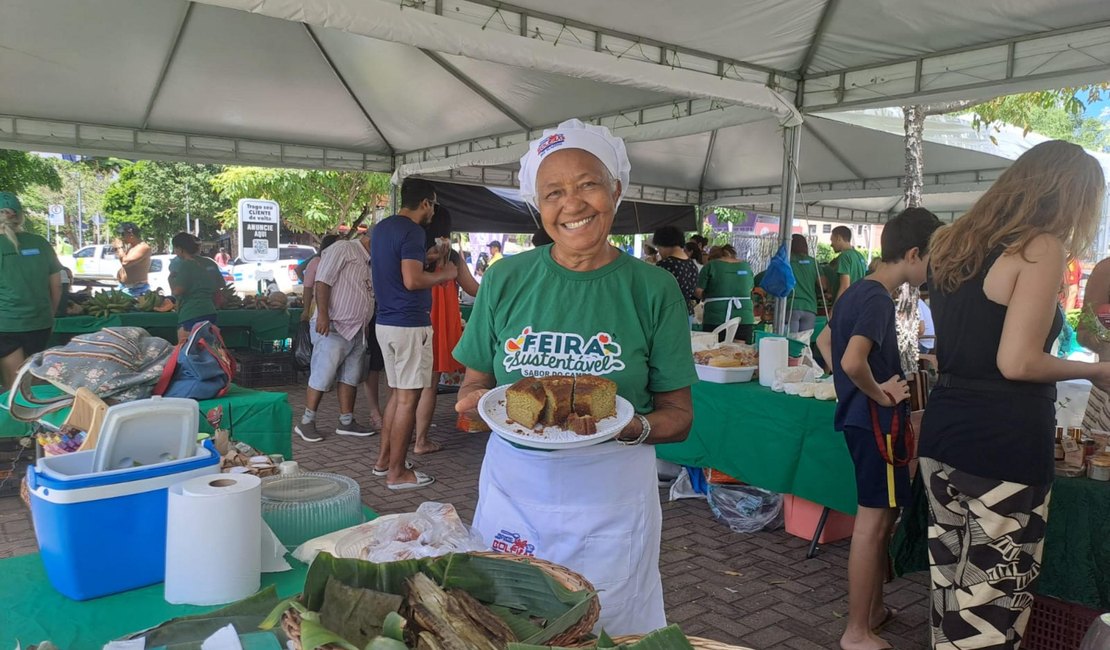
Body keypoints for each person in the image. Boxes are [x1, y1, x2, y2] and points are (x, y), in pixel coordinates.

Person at [453, 119, 697, 635]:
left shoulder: (653, 289)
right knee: (507, 623)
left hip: (611, 495)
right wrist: (474, 407)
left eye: (587, 184)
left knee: (607, 628)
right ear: (538, 207)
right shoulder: (504, 279)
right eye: (554, 192)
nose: (573, 204)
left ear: (616, 190)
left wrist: (627, 427)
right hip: (513, 492)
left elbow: (679, 417)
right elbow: (475, 388)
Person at [920, 141, 1110, 650]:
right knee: (994, 604)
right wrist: (1101, 371)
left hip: (945, 433)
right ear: (1068, 197)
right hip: (1003, 442)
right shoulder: (1040, 246)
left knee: (951, 591)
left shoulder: (952, 241)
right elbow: (1018, 362)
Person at [815, 207, 943, 650]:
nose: (934, 268)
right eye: (933, 257)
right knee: (872, 523)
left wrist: (850, 387)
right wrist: (877, 392)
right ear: (912, 253)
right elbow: (851, 360)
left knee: (882, 518)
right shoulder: (877, 298)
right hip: (877, 426)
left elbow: (824, 343)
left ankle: (871, 612)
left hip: (862, 422)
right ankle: (856, 631)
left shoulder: (858, 292)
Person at [371, 178, 457, 491]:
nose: (434, 211)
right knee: (408, 399)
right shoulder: (413, 231)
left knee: (397, 394)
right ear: (425, 203)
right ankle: (397, 472)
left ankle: (384, 462)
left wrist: (428, 259)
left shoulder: (383, 228)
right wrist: (445, 274)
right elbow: (411, 280)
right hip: (409, 324)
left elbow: (397, 269)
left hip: (386, 322)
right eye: (433, 204)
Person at [408, 206, 480, 464]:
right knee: (429, 382)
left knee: (404, 385)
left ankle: (403, 433)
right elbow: (473, 288)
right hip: (437, 321)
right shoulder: (450, 256)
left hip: (412, 316)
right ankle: (421, 441)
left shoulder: (414, 249)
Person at [295, 231, 377, 442]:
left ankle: (346, 421)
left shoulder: (369, 259)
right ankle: (306, 422)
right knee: (323, 374)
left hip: (357, 328)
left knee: (351, 375)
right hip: (333, 325)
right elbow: (322, 281)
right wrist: (323, 315)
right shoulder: (343, 249)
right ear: (370, 239)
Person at [0, 192, 62, 390]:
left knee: (13, 387)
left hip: (6, 324)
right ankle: (35, 419)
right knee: (32, 382)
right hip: (40, 322)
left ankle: (17, 421)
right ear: (19, 216)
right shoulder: (41, 243)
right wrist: (49, 315)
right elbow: (57, 285)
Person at [168, 232, 224, 343]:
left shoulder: (185, 265)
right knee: (209, 350)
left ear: (180, 249)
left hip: (191, 313)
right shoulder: (210, 263)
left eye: (175, 249)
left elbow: (178, 291)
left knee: (189, 351)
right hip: (210, 311)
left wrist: (170, 281)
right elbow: (220, 287)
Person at [696, 244, 756, 342]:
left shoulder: (710, 266)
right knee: (741, 352)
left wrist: (708, 295)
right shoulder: (745, 266)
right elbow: (750, 289)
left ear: (712, 257)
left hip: (716, 317)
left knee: (715, 352)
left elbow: (698, 291)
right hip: (744, 317)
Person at [652, 226, 699, 320]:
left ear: (663, 244)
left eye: (659, 248)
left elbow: (655, 292)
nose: (659, 252)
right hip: (687, 312)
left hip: (668, 315)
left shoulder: (666, 264)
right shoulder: (692, 265)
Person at [300, 234, 341, 323]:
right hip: (318, 308)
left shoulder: (342, 262)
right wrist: (306, 310)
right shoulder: (316, 262)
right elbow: (307, 288)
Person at [788, 234, 820, 335]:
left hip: (792, 305)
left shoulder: (787, 261)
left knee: (790, 342)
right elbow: (823, 285)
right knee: (804, 344)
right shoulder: (813, 262)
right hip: (810, 307)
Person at [830, 225, 868, 306]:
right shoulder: (860, 256)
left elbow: (845, 287)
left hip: (846, 305)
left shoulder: (844, 257)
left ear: (839, 238)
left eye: (832, 240)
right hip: (858, 303)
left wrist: (834, 310)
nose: (831, 244)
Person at [115, 222, 152, 297]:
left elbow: (125, 263)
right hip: (124, 286)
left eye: (123, 234)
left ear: (131, 234)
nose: (121, 237)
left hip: (136, 289)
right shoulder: (131, 247)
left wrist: (119, 247)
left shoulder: (143, 247)